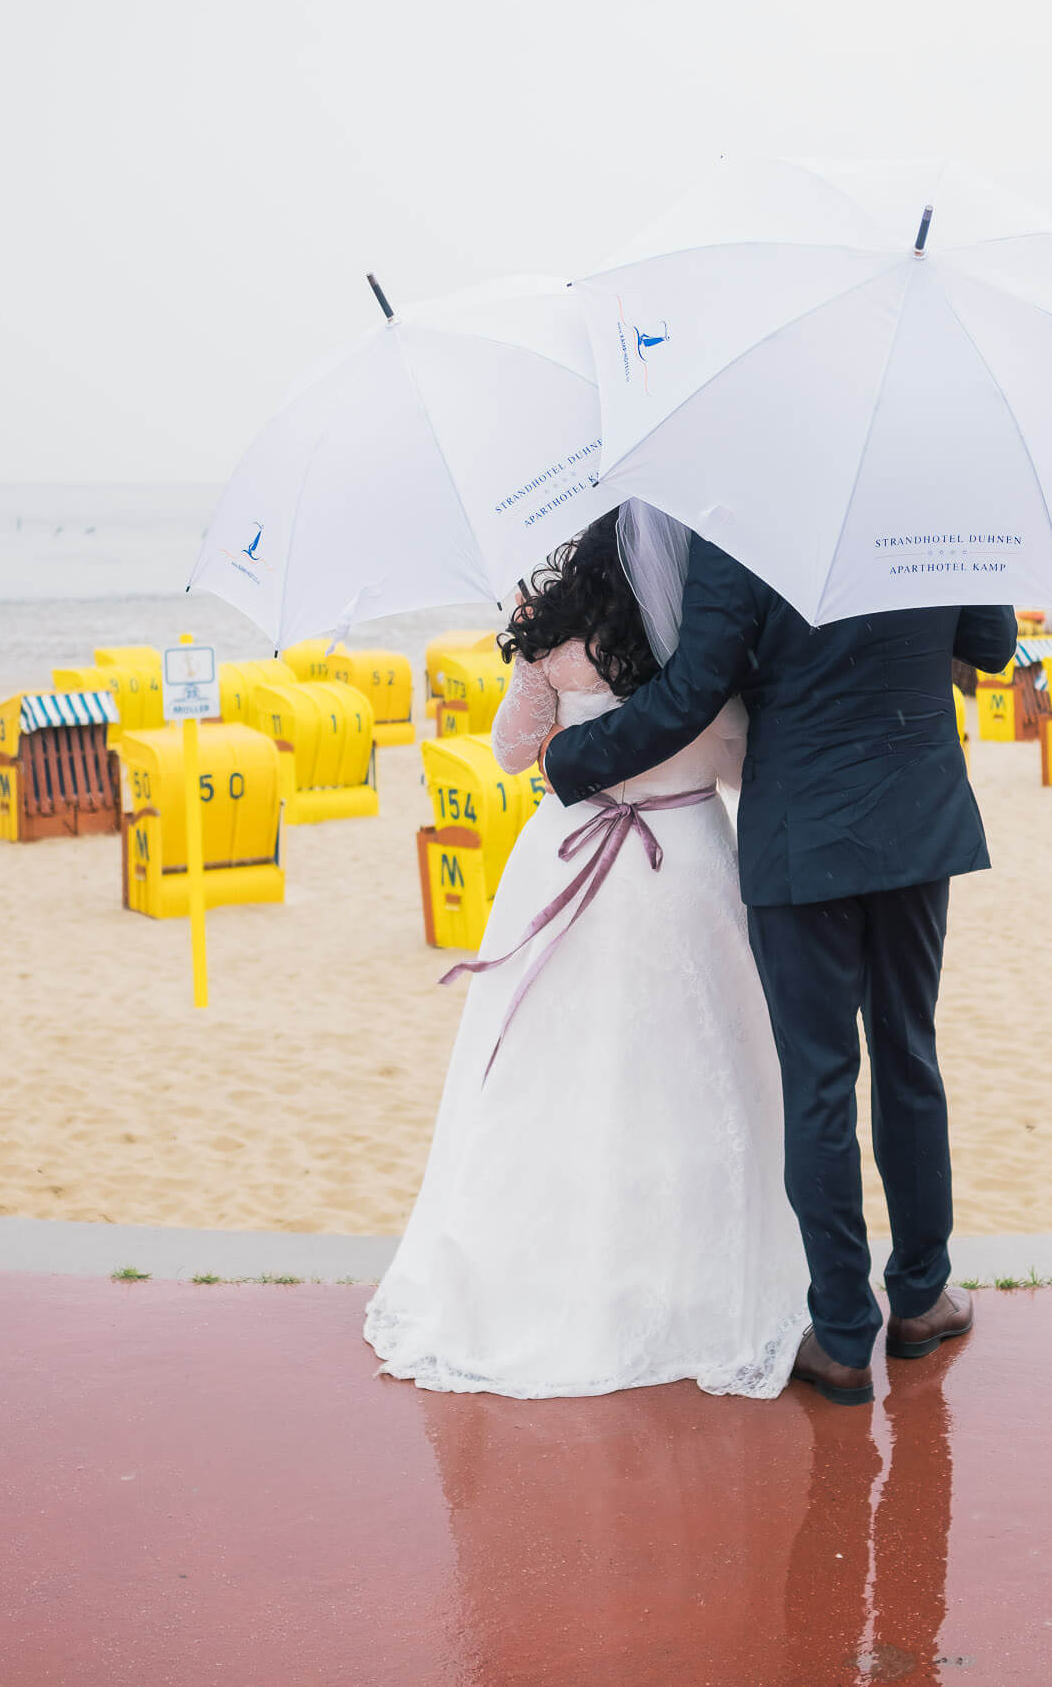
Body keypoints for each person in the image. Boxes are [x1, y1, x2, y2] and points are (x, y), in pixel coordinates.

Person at [542, 530, 1015, 1406]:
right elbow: (990, 642)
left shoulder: (747, 523)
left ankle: (840, 1338)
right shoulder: (937, 506)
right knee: (910, 1056)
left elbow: (694, 689)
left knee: (819, 1083)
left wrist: (571, 759)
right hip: (919, 817)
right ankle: (921, 1298)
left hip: (803, 836)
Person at [364, 507, 809, 1400]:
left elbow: (511, 750)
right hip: (681, 858)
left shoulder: (554, 635)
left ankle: (553, 1277)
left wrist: (578, 738)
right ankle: (688, 1282)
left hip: (565, 853)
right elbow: (732, 762)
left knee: (559, 1070)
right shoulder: (698, 641)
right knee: (695, 1066)